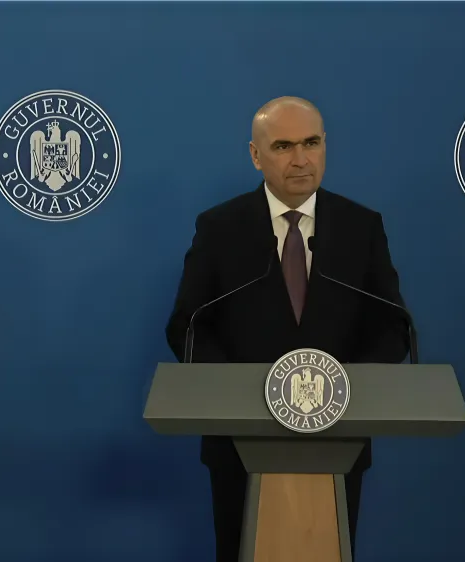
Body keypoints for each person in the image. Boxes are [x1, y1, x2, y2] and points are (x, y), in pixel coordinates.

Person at [164, 96, 409, 562]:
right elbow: (188, 327)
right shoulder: (220, 227)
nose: (301, 159)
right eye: (283, 146)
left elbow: (393, 326)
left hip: (337, 439)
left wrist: (343, 388)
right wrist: (244, 394)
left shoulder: (361, 226)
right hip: (241, 445)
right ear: (256, 155)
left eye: (311, 143)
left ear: (325, 146)